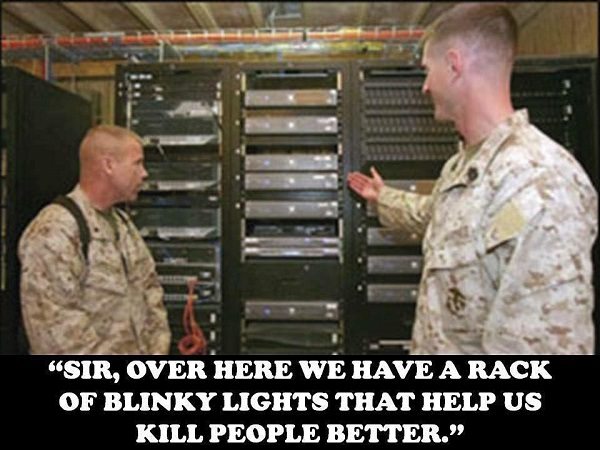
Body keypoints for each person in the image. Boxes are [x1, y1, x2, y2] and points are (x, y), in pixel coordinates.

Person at [347, 3, 598, 354]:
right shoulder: (462, 166)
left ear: (454, 64)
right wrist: (383, 196)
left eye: (427, 70)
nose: (425, 86)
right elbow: (437, 216)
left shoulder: (542, 182)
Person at [18, 125, 171, 354]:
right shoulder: (55, 230)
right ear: (108, 165)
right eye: (137, 163)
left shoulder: (122, 224)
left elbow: (151, 295)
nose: (144, 173)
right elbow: (56, 335)